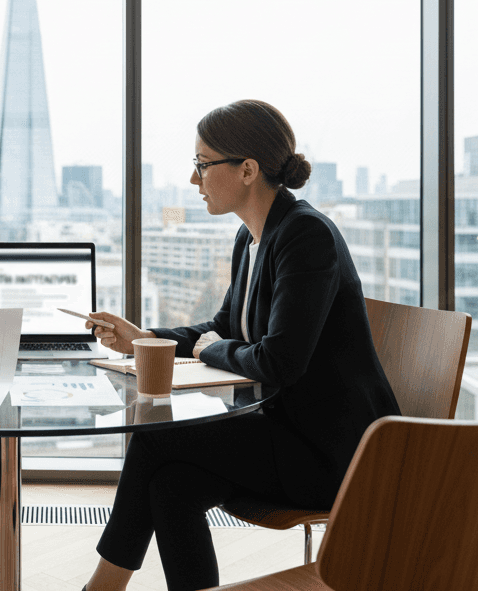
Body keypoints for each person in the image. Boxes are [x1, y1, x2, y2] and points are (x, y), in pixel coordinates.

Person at [81, 100, 401, 591]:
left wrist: (210, 349)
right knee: (171, 486)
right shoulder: (252, 237)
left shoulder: (306, 235)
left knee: (154, 438)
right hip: (282, 434)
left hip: (332, 453)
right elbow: (224, 327)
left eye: (202, 165)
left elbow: (279, 361)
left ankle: (102, 588)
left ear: (248, 169)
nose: (195, 180)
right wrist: (144, 339)